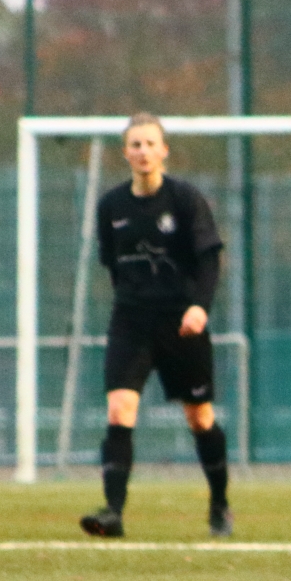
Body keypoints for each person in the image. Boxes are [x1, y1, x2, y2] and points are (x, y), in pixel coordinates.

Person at [79, 113, 233, 539]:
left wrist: (199, 307)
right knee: (119, 409)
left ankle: (220, 504)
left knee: (199, 417)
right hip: (131, 321)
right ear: (125, 153)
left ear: (164, 150)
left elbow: (209, 260)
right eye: (136, 144)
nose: (143, 151)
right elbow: (111, 264)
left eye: (150, 144)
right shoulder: (111, 206)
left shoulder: (185, 200)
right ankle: (112, 512)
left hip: (182, 323)